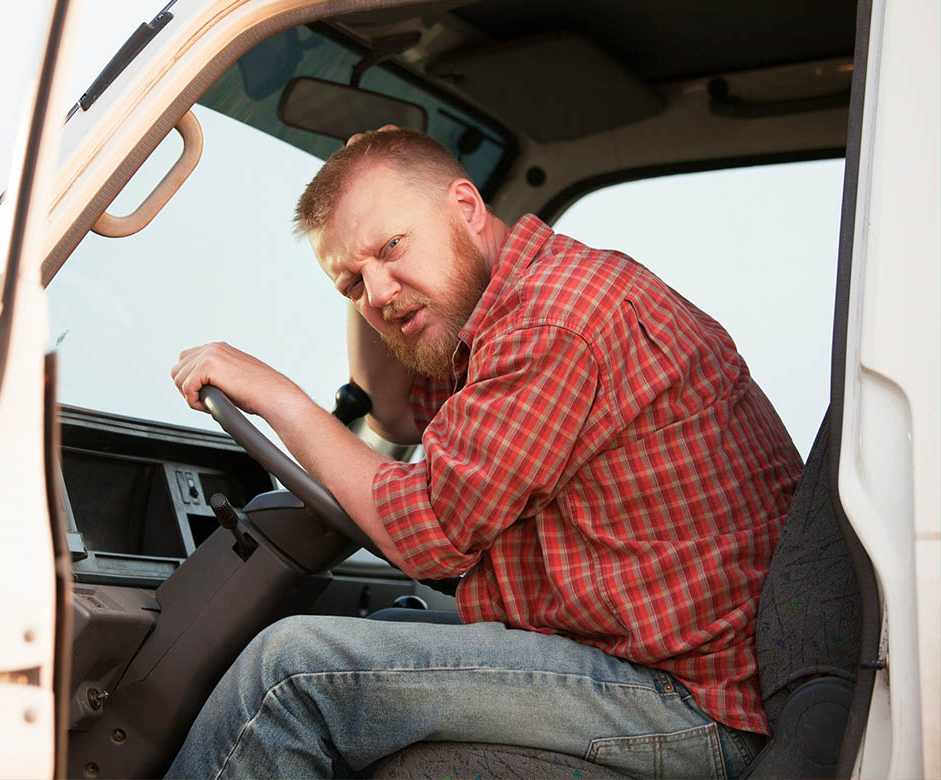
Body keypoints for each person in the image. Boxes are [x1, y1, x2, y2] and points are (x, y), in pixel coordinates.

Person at [166, 128, 802, 779]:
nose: (380, 293)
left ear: (467, 208)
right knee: (381, 637)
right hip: (627, 666)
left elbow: (428, 531)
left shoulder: (553, 319)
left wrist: (277, 397)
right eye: (353, 285)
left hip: (690, 706)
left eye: (392, 246)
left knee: (289, 672)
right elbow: (388, 405)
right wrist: (363, 245)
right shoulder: (488, 320)